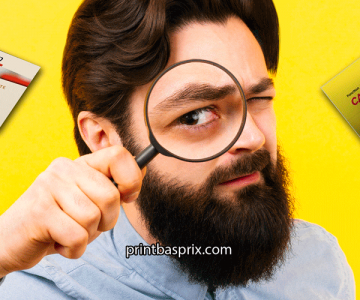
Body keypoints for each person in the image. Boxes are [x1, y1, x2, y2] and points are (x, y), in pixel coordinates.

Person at [0, 0, 355, 299]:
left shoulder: (317, 263)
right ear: (103, 139)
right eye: (196, 114)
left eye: (258, 98)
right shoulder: (36, 290)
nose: (253, 138)